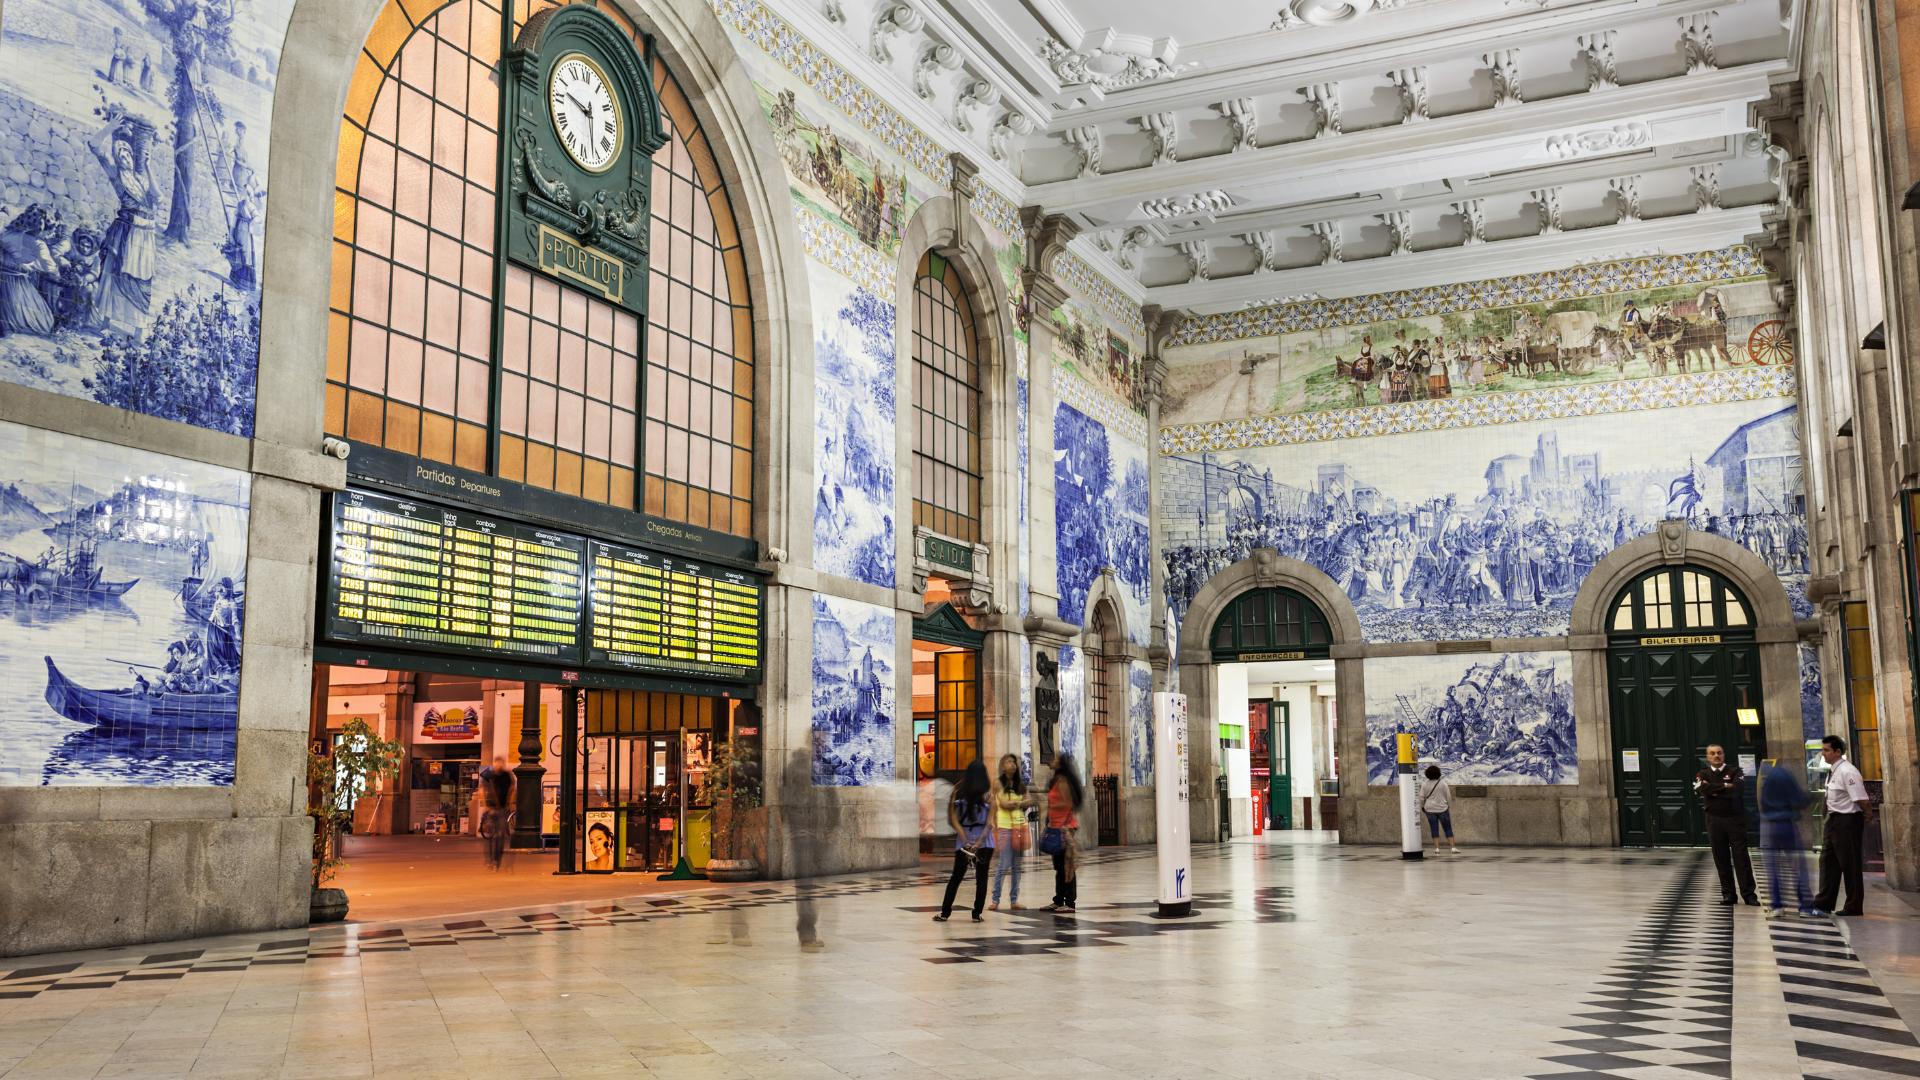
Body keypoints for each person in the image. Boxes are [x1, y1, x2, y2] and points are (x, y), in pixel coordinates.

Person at [1811, 735, 1873, 917]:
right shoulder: (1833, 771)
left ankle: (1854, 905)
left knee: (1850, 864)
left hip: (1847, 821)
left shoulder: (1848, 771)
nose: (1823, 754)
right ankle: (1823, 903)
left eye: (1826, 750)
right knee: (1828, 862)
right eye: (1823, 750)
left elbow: (1862, 799)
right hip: (1833, 821)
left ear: (1838, 752)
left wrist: (1868, 815)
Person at [1695, 744, 1759, 906]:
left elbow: (1738, 790)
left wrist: (1714, 791)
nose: (1716, 756)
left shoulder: (1735, 771)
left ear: (1723, 754)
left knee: (1741, 857)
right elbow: (1702, 789)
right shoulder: (1703, 773)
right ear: (1708, 757)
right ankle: (1728, 894)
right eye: (1712, 753)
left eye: (1719, 753)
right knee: (1721, 857)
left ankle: (1749, 894)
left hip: (1734, 819)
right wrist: (1725, 786)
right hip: (1714, 820)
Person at [934, 761, 995, 923]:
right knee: (981, 878)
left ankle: (945, 913)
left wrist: (966, 840)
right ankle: (976, 914)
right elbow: (989, 824)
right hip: (985, 842)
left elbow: (954, 820)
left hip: (963, 841)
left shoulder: (957, 795)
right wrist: (978, 844)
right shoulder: (989, 797)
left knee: (956, 877)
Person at [1758, 759, 1814, 918]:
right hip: (1784, 824)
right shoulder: (1784, 774)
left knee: (1773, 868)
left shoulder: (1767, 776)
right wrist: (1810, 796)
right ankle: (1806, 906)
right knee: (1798, 866)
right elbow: (1798, 800)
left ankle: (1776, 906)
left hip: (1768, 824)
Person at [989, 754, 1033, 911]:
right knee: (1004, 864)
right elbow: (1004, 804)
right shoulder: (998, 783)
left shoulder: (1020, 783)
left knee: (1017, 866)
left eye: (1014, 762)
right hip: (1004, 827)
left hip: (1020, 827)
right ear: (1003, 766)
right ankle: (995, 899)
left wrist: (1017, 803)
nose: (1013, 764)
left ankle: (1014, 900)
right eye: (1009, 762)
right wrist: (1020, 803)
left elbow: (1030, 801)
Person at [1045, 754, 1084, 914]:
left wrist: (1051, 808)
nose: (1052, 761)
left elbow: (1067, 803)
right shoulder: (1056, 780)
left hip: (1065, 827)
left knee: (1067, 866)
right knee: (1059, 867)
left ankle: (1070, 902)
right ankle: (1058, 900)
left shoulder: (1062, 781)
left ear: (1060, 764)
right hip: (1056, 827)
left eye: (1055, 759)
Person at [478, 756, 513, 870]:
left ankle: (497, 861)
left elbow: (512, 790)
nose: (498, 766)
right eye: (496, 764)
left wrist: (510, 804)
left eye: (500, 764)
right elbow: (482, 788)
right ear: (494, 764)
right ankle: (491, 860)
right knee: (490, 836)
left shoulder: (507, 775)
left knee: (500, 836)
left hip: (503, 809)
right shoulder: (489, 774)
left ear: (503, 765)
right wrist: (485, 805)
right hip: (492, 808)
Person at [1418, 764, 1459, 854]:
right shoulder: (1443, 783)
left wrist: (1423, 806)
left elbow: (1421, 797)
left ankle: (1437, 848)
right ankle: (1453, 847)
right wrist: (1448, 806)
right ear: (1438, 773)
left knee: (1434, 828)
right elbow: (1448, 796)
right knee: (1447, 828)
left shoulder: (1424, 784)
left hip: (1429, 809)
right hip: (1442, 808)